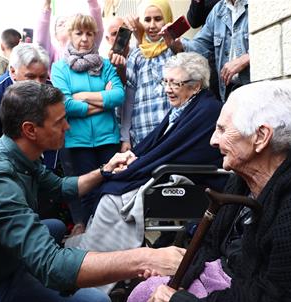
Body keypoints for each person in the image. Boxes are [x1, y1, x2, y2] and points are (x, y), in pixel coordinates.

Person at [0, 81, 185, 302]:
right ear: (30, 130)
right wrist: (145, 259)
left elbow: (60, 188)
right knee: (96, 300)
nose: (67, 126)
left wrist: (104, 170)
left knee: (53, 226)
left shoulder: (19, 154)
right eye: (59, 121)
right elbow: (52, 264)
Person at [127, 81, 291, 302]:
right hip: (225, 282)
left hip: (244, 293)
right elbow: (210, 246)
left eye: (222, 129)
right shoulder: (242, 181)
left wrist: (181, 301)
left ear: (260, 137)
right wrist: (179, 276)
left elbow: (276, 297)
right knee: (144, 291)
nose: (213, 140)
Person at [64, 52, 224, 264]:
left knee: (113, 198)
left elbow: (176, 151)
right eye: (165, 81)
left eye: (175, 84)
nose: (167, 89)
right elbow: (158, 145)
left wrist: (135, 167)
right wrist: (131, 159)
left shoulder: (208, 110)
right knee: (111, 188)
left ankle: (100, 264)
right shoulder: (187, 106)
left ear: (195, 86)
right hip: (171, 172)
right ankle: (92, 255)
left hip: (194, 183)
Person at [50, 14, 125, 227]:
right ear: (70, 35)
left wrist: (82, 97)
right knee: (88, 191)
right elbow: (64, 104)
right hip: (77, 141)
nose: (84, 38)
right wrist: (103, 100)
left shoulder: (106, 65)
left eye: (89, 33)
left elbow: (119, 96)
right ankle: (93, 238)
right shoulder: (59, 67)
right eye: (79, 33)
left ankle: (113, 234)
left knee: (111, 187)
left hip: (107, 139)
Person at [0, 43, 49, 153]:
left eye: (42, 77)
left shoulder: (50, 90)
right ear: (13, 71)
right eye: (30, 77)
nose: (38, 84)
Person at [168, 0, 249, 102]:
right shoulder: (218, 9)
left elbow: (272, 43)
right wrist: (179, 44)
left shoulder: (258, 5)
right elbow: (200, 45)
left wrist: (245, 59)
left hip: (255, 88)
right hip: (229, 91)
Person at [120, 0, 175, 151]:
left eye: (158, 19)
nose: (152, 25)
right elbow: (129, 99)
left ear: (168, 20)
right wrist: (125, 137)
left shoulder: (175, 50)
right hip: (142, 134)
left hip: (171, 132)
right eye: (147, 20)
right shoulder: (136, 55)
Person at [36, 0, 104, 66]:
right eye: (60, 24)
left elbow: (96, 29)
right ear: (55, 35)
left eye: (68, 23)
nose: (65, 25)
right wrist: (46, 4)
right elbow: (42, 38)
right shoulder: (53, 53)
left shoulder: (86, 44)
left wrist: (92, 1)